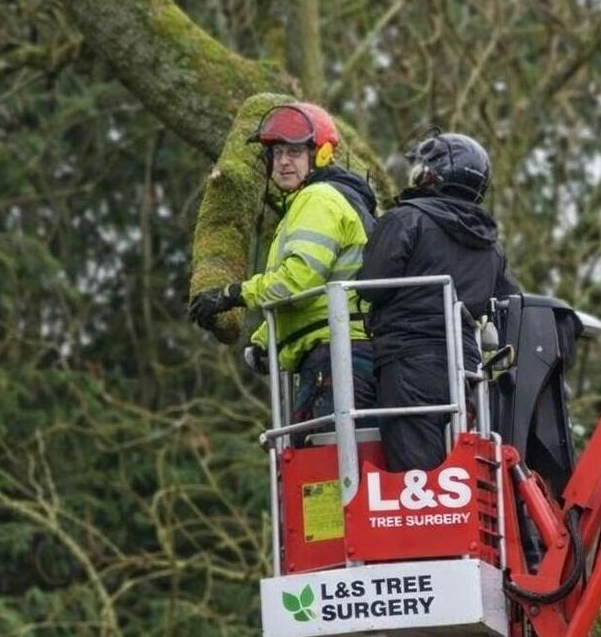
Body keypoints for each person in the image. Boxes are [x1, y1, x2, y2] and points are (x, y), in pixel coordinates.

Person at [189, 102, 377, 438]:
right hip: (334, 355)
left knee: (326, 474)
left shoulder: (319, 199)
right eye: (277, 154)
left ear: (320, 155)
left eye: (294, 152)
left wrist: (232, 294)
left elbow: (297, 281)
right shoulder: (325, 200)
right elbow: (307, 299)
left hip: (338, 359)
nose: (283, 162)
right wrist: (265, 342)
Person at [358, 132, 519, 471]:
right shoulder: (491, 246)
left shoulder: (405, 220)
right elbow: (508, 303)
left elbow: (371, 287)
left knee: (414, 473)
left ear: (429, 175)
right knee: (457, 468)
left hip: (407, 361)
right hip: (466, 368)